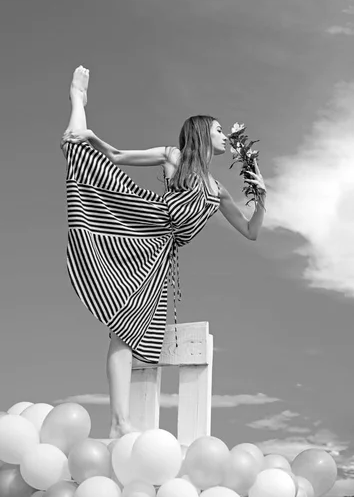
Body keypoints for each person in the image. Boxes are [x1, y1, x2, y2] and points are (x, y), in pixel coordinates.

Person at [61, 65, 267, 438]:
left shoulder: (219, 190)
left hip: (157, 257)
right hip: (141, 226)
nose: (224, 137)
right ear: (202, 133)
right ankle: (78, 101)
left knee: (124, 330)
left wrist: (261, 197)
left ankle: (119, 423)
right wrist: (93, 139)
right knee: (79, 153)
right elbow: (120, 157)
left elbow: (251, 232)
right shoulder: (175, 157)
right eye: (219, 129)